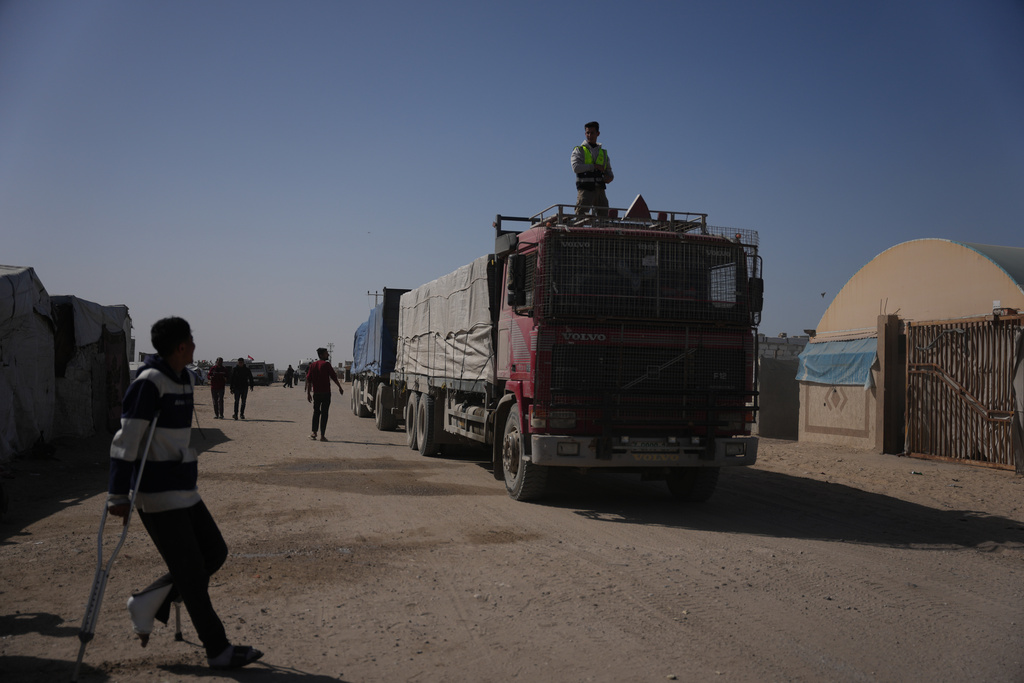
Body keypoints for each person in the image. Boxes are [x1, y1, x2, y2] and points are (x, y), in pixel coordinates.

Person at [107, 317, 262, 669]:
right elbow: (125, 442)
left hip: (184, 488)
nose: (195, 345)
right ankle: (218, 650)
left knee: (215, 552)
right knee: (191, 573)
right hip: (158, 494)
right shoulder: (149, 384)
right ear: (180, 346)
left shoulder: (183, 380)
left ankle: (149, 602)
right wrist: (117, 494)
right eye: (191, 340)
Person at [571, 121, 614, 216]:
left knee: (604, 219)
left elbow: (609, 172)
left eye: (592, 133)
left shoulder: (603, 153)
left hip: (600, 190)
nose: (589, 135)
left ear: (598, 133)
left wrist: (609, 178)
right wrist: (594, 166)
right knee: (580, 218)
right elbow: (576, 167)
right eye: (587, 133)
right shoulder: (579, 150)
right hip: (585, 189)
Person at [306, 347, 344, 441]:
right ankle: (322, 436)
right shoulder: (327, 365)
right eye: (326, 353)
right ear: (321, 355)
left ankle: (314, 433)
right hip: (326, 393)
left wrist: (308, 394)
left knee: (316, 412)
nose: (328, 355)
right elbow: (334, 377)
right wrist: (340, 387)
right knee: (324, 414)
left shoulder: (313, 365)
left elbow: (308, 380)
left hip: (317, 393)